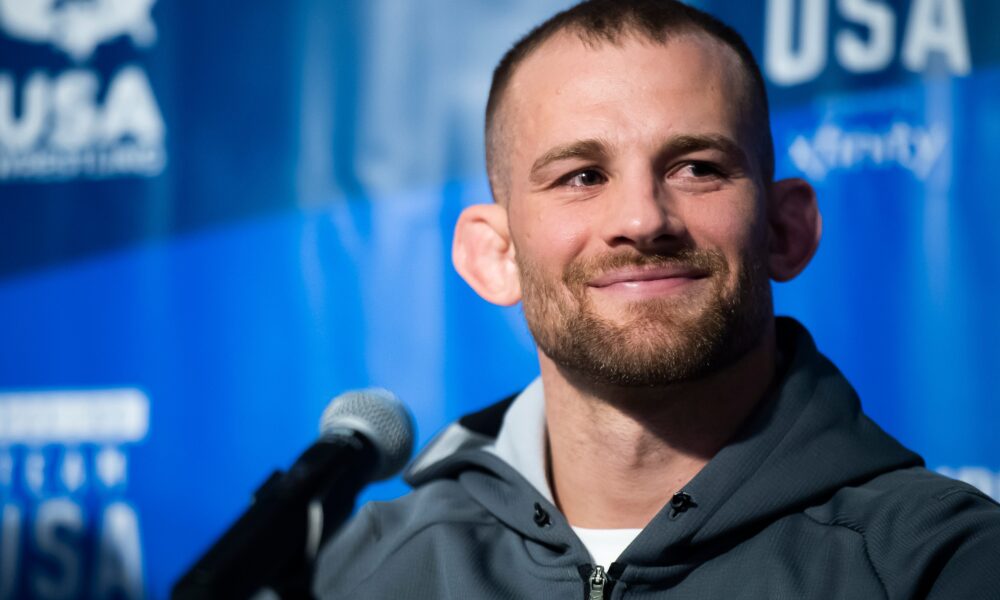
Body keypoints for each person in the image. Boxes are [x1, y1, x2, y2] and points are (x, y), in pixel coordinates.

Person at [313, 1, 1000, 597]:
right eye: (582, 176)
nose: (642, 220)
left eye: (697, 168)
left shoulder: (946, 565)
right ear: (497, 255)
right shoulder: (354, 575)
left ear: (785, 230)